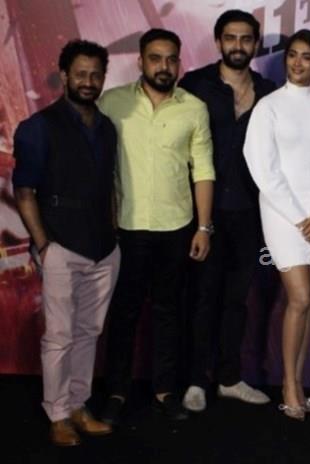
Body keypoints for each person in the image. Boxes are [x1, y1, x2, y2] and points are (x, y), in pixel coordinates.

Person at [99, 28, 215, 423]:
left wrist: (203, 227)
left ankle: (166, 391)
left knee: (169, 312)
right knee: (124, 313)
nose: (163, 66)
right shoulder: (112, 103)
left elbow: (203, 170)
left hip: (176, 228)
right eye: (155, 58)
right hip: (126, 228)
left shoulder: (194, 108)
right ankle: (116, 392)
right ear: (140, 61)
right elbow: (99, 168)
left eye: (171, 59)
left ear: (179, 63)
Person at [13, 40, 119, 446]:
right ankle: (57, 414)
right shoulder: (37, 127)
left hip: (104, 248)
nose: (88, 82)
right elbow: (24, 192)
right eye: (81, 74)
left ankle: (78, 405)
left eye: (95, 75)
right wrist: (44, 246)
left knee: (89, 331)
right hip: (60, 246)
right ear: (64, 75)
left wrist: (114, 236)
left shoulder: (107, 128)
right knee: (59, 335)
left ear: (103, 78)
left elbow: (108, 186)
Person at [244, 29, 310, 421]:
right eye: (292, 54)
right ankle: (289, 384)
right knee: (301, 298)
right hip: (281, 214)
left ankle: (300, 381)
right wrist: (297, 216)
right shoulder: (268, 107)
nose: (297, 62)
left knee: (309, 301)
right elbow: (263, 167)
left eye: (307, 56)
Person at [179, 9, 275, 413]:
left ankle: (229, 378)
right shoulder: (194, 85)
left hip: (250, 213)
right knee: (202, 297)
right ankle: (196, 381)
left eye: (246, 38)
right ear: (219, 42)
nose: (238, 45)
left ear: (256, 44)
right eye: (231, 38)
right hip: (202, 212)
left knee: (237, 300)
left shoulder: (269, 92)